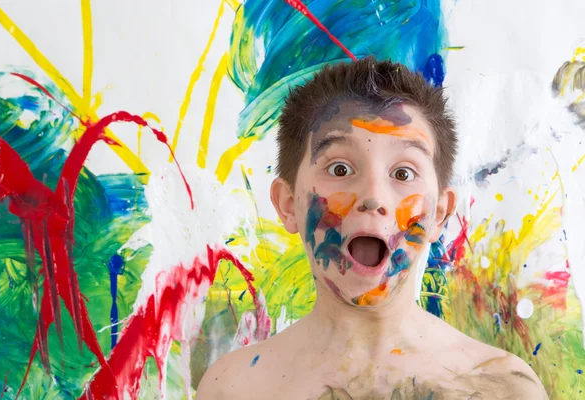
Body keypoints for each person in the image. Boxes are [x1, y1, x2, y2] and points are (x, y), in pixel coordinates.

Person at [196, 56, 548, 399]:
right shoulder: (234, 388)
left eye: (403, 173)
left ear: (440, 213)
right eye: (339, 169)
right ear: (289, 205)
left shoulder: (504, 388)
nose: (372, 196)